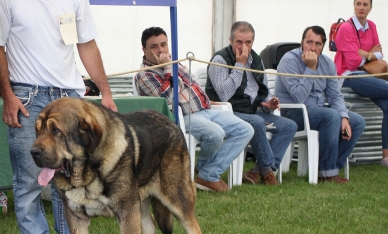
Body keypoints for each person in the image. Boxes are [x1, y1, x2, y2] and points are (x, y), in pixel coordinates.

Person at [0, 0, 117, 234]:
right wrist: (8, 95)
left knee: (72, 176)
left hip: (70, 98)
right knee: (29, 177)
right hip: (27, 96)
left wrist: (104, 91)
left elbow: (86, 44)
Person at [134, 26, 254, 193]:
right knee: (216, 133)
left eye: (164, 44)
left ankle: (206, 173)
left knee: (245, 129)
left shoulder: (178, 64)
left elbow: (193, 87)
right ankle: (208, 176)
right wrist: (168, 67)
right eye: (154, 46)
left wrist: (210, 102)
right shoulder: (144, 75)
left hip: (206, 109)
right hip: (181, 116)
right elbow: (168, 98)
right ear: (144, 49)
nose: (161, 50)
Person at [206, 21, 297, 185]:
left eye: (248, 42)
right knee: (257, 121)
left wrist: (268, 103)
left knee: (289, 125)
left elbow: (261, 89)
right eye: (239, 42)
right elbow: (224, 95)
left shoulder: (256, 59)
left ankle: (257, 171)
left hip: (252, 110)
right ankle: (267, 172)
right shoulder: (219, 59)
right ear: (231, 41)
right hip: (226, 112)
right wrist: (239, 65)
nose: (243, 47)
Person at [276, 25, 365, 183]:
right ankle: (327, 173)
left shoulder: (328, 64)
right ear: (301, 42)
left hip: (318, 111)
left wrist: (344, 116)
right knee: (330, 116)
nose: (313, 47)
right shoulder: (288, 60)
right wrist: (310, 68)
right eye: (309, 42)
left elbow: (335, 96)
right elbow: (298, 97)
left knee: (356, 121)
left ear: (323, 46)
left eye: (318, 44)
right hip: (292, 113)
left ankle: (330, 167)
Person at [334, 0, 388, 166]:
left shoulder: (371, 25)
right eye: (358, 4)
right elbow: (351, 62)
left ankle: (385, 157)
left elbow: (380, 53)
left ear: (371, 7)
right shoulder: (346, 28)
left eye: (365, 4)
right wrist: (369, 54)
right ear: (353, 5)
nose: (361, 8)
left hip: (367, 74)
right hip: (350, 76)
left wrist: (365, 54)